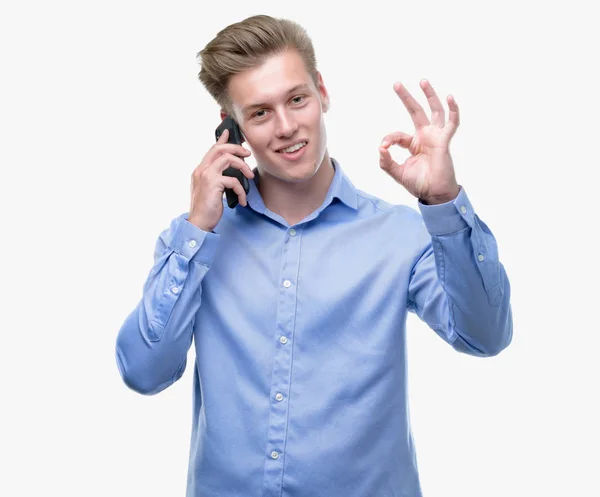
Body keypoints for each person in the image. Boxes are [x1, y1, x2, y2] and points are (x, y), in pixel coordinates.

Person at [115, 14, 513, 497]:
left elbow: (486, 337)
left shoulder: (400, 234)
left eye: (297, 99)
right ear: (231, 129)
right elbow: (143, 373)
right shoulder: (195, 245)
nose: (286, 127)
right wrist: (197, 228)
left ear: (322, 92)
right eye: (259, 113)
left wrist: (443, 200)